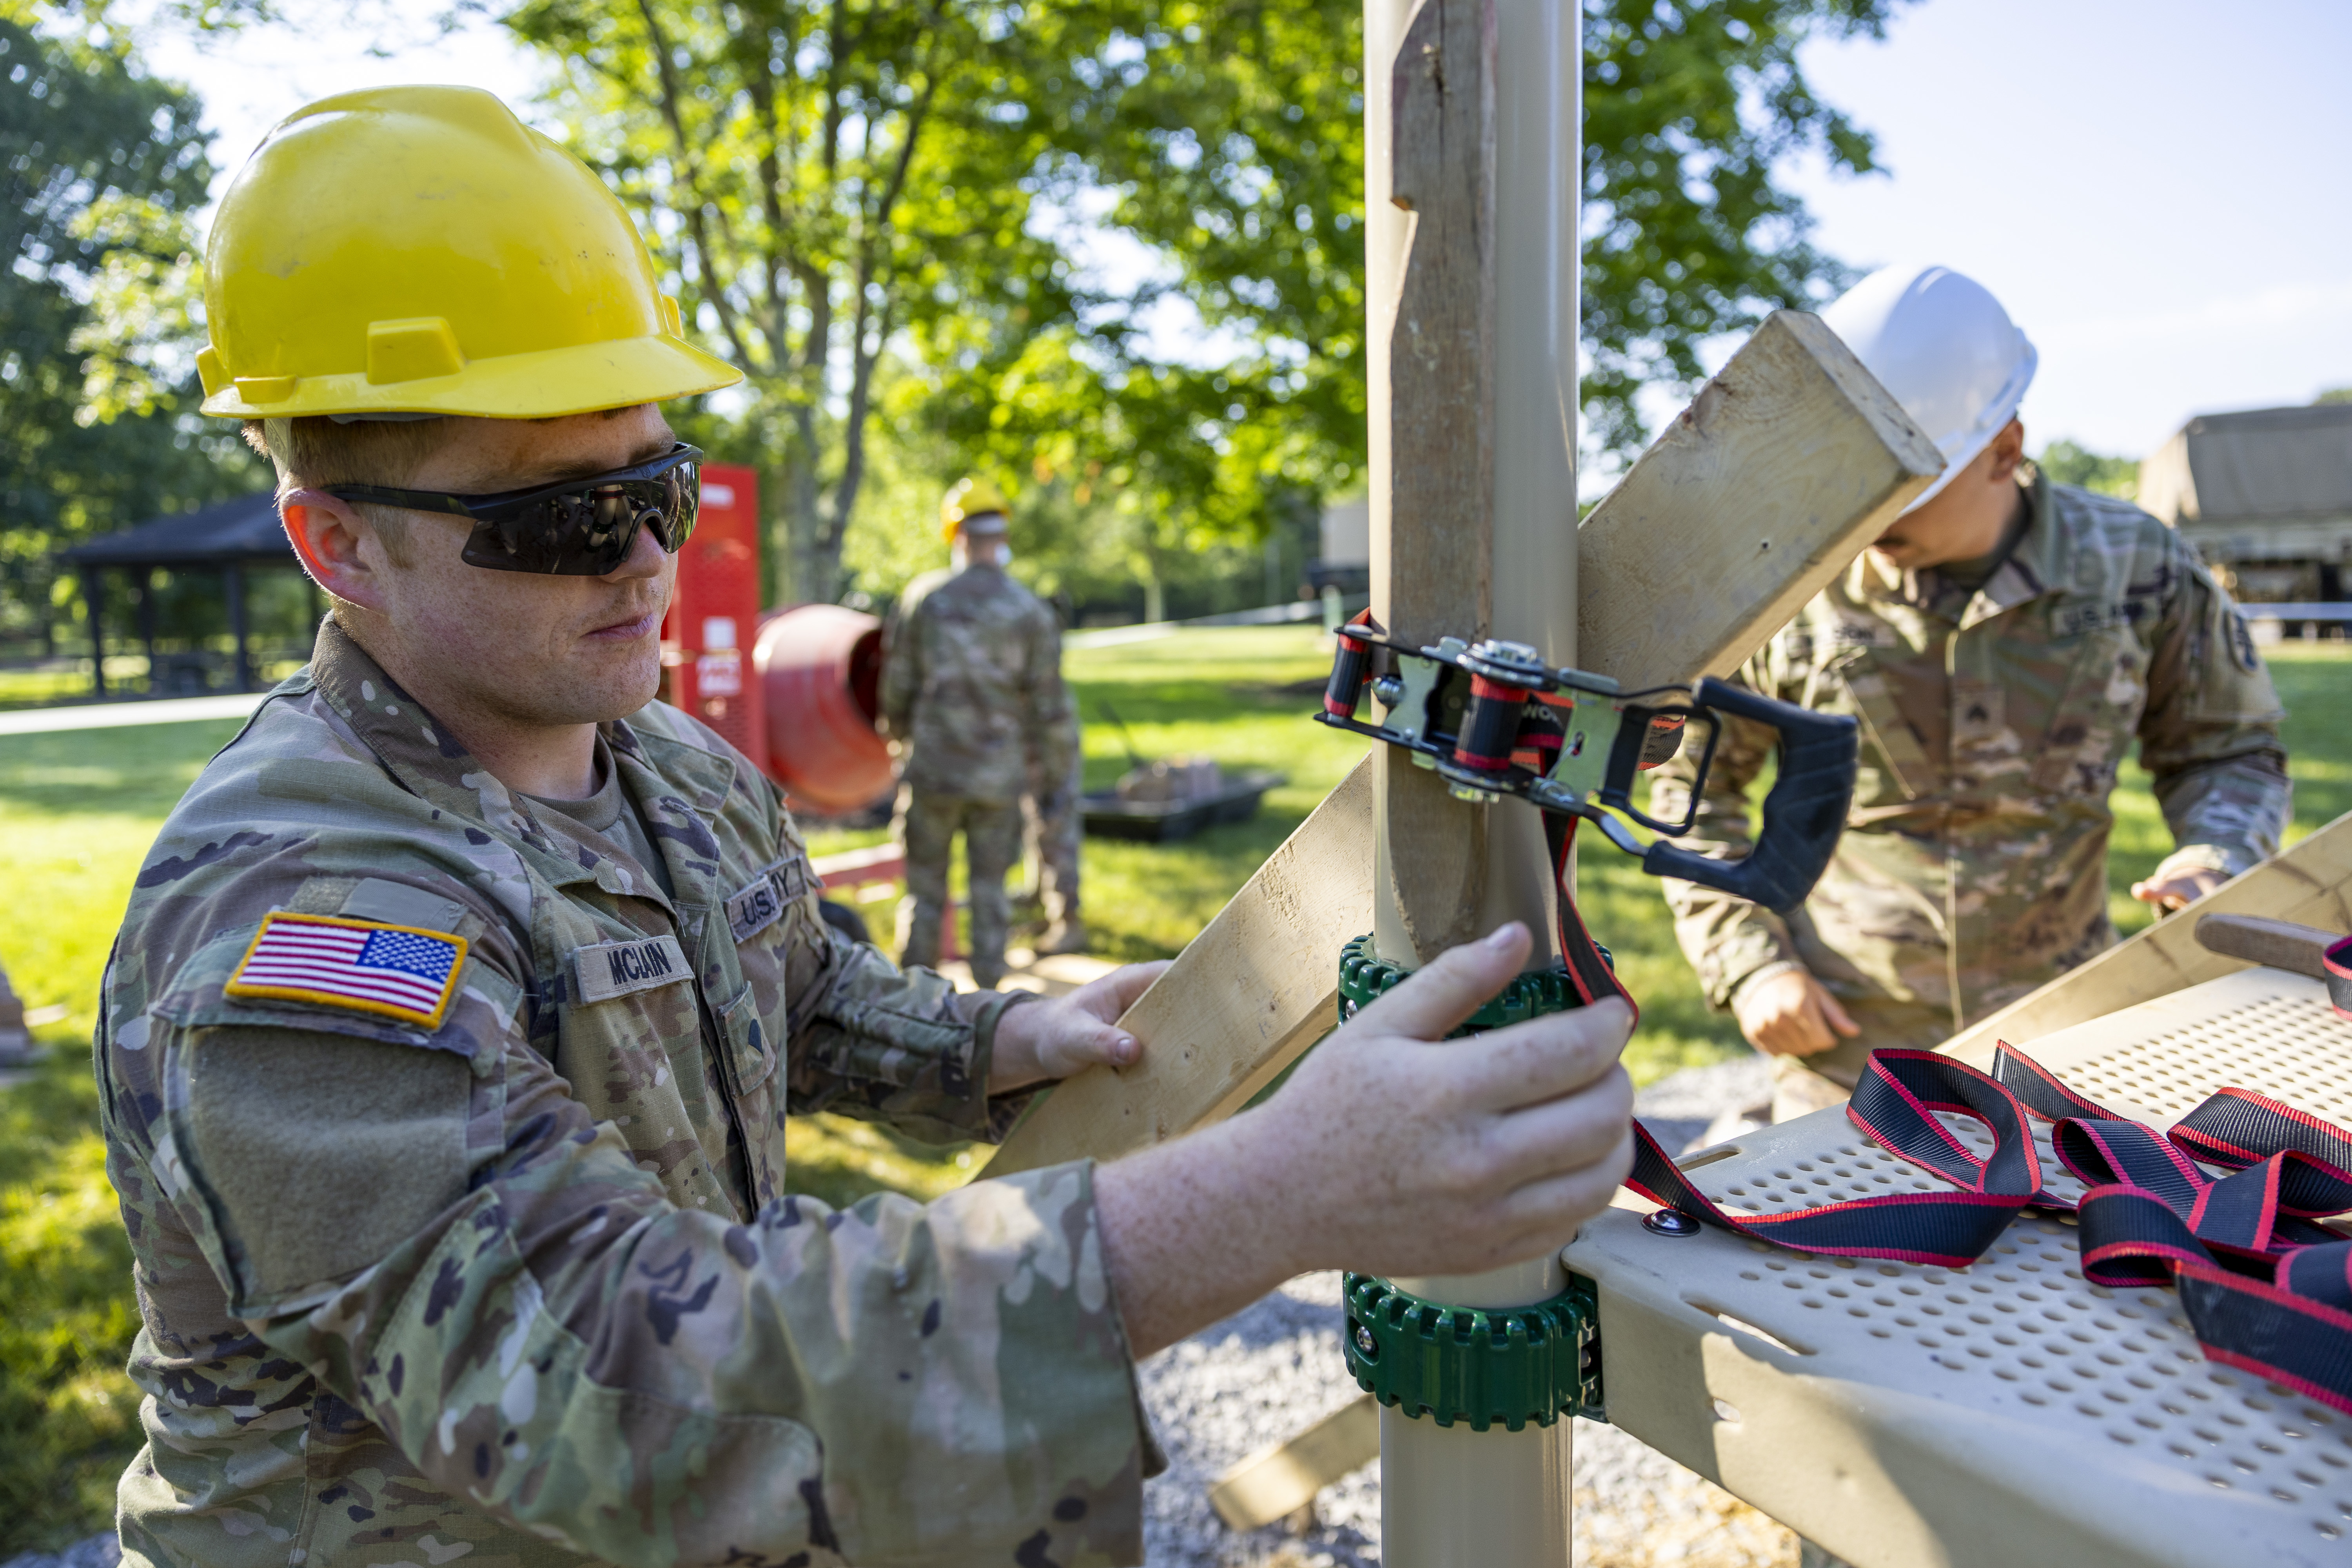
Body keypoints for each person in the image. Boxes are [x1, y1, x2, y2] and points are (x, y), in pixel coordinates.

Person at [96, 85, 1638, 1568]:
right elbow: (612, 1386)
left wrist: (990, 1043)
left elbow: (800, 990)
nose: (643, 556)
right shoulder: (291, 920)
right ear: (340, 544)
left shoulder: (666, 763)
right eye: (561, 518)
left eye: (663, 485)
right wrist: (1285, 1190)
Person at [1652, 263, 2291, 1124]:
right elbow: (1694, 788)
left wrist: (2217, 851)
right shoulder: (1792, 582)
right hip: (1847, 1066)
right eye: (1857, 471)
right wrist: (1750, 962)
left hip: (2068, 1052)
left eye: (1907, 477)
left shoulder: (2140, 569)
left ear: (2004, 448)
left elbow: (2228, 749)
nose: (1871, 508)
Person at [881, 479, 1080, 987]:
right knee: (990, 887)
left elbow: (897, 682)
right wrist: (1054, 777)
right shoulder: (1029, 610)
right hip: (997, 777)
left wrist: (898, 737)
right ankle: (989, 995)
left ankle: (917, 995)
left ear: (956, 534)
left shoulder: (925, 598)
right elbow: (1050, 707)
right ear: (1002, 534)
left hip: (933, 773)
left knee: (924, 889)